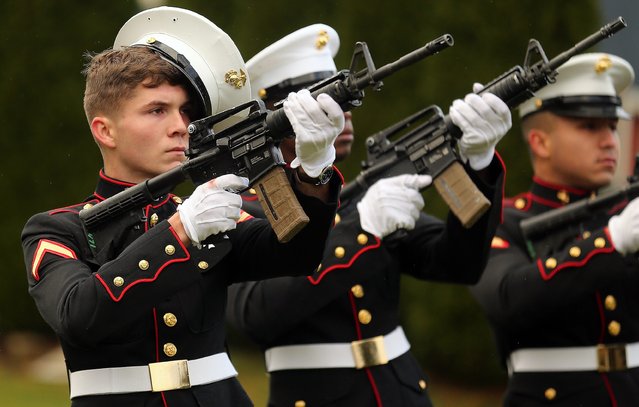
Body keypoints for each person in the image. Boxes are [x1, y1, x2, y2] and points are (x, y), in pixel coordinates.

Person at [20, 7, 346, 407]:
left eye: (186, 112)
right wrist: (179, 234)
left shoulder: (205, 209)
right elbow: (79, 316)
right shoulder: (57, 230)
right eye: (157, 110)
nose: (181, 126)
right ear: (105, 130)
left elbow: (296, 253)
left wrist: (312, 173)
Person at [227, 24, 511, 406]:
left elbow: (459, 264)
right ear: (281, 118)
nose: (343, 116)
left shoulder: (358, 195)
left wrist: (480, 163)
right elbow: (256, 317)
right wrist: (362, 231)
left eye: (346, 102)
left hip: (402, 390)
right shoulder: (245, 208)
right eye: (326, 107)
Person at [469, 52, 638, 406]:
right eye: (589, 127)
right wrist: (611, 241)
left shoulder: (626, 214)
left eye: (611, 125)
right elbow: (507, 299)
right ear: (540, 142)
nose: (610, 140)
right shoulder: (501, 221)